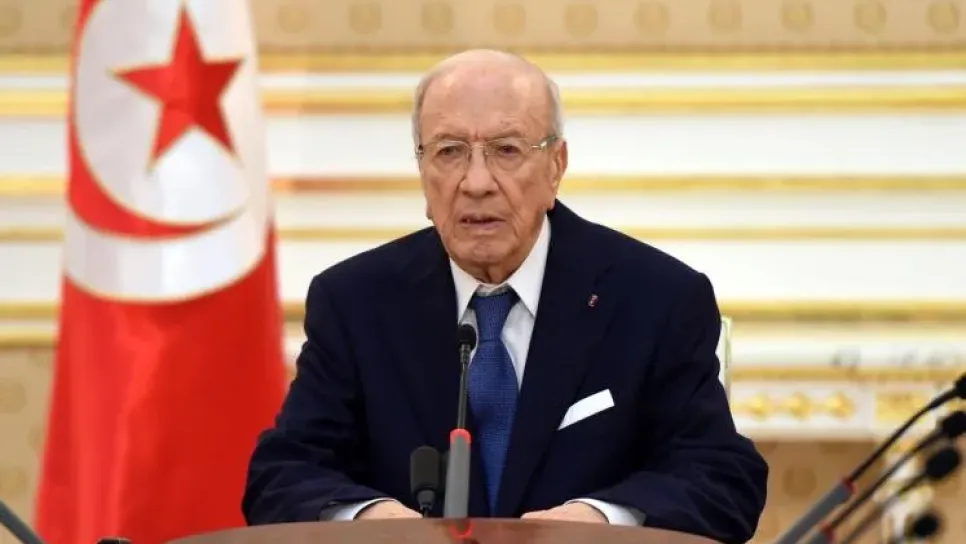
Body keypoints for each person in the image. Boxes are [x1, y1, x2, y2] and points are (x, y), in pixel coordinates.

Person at [242, 49, 768, 544]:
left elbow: (721, 475)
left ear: (556, 166)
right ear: (422, 171)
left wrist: (601, 520)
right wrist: (371, 519)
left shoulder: (656, 298)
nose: (476, 182)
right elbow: (282, 473)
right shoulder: (355, 302)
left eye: (507, 150)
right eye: (449, 152)